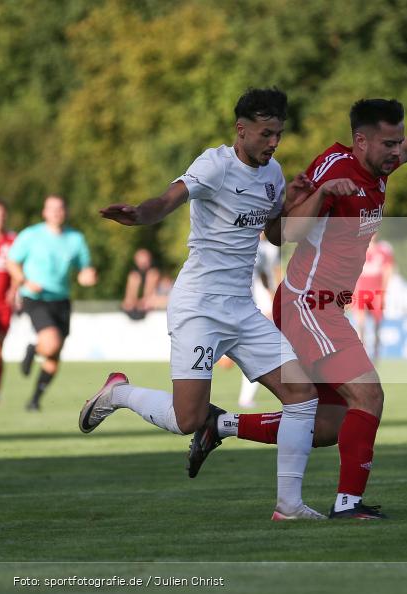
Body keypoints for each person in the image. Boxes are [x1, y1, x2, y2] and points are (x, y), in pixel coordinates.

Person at [189, 98, 407, 520]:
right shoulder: (336, 170)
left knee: (328, 425)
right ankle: (348, 505)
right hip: (308, 305)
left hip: (325, 306)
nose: (397, 151)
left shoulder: (377, 164)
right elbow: (286, 232)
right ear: (360, 140)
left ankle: (219, 425)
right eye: (389, 144)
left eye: (399, 143)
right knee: (368, 395)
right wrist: (322, 193)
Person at [78, 87, 325, 521]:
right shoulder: (214, 164)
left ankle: (289, 506)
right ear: (241, 129)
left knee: (302, 393)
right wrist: (141, 214)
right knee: (187, 419)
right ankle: (119, 392)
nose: (273, 142)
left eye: (278, 134)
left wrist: (294, 203)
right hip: (198, 307)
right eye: (266, 133)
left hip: (242, 310)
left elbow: (272, 234)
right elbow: (168, 199)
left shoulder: (273, 174)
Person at [7, 195, 97, 411]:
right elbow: (12, 262)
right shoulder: (31, 235)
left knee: (54, 356)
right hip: (35, 297)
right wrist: (25, 280)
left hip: (61, 300)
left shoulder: (75, 238)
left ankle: (35, 399)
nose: (56, 212)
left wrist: (87, 275)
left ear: (66, 211)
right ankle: (34, 347)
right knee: (51, 343)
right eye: (52, 208)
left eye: (60, 208)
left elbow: (85, 267)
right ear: (44, 212)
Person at [236, 231, 281, 408]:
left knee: (257, 353)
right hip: (246, 307)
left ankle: (246, 398)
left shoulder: (264, 250)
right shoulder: (241, 244)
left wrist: (272, 298)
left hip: (256, 306)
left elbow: (265, 276)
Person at [353, 233, 394, 362]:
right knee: (361, 324)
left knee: (377, 325)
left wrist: (383, 291)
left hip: (376, 293)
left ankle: (376, 352)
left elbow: (388, 271)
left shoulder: (383, 251)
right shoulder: (358, 250)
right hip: (360, 292)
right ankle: (362, 353)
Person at [0, 199, 17, 404]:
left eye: (2, 215)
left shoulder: (13, 241)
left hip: (4, 305)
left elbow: (20, 268)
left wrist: (15, 289)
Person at [121, 248, 161, 320]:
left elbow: (148, 297)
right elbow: (129, 299)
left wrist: (140, 303)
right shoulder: (134, 276)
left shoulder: (153, 273)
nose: (143, 264)